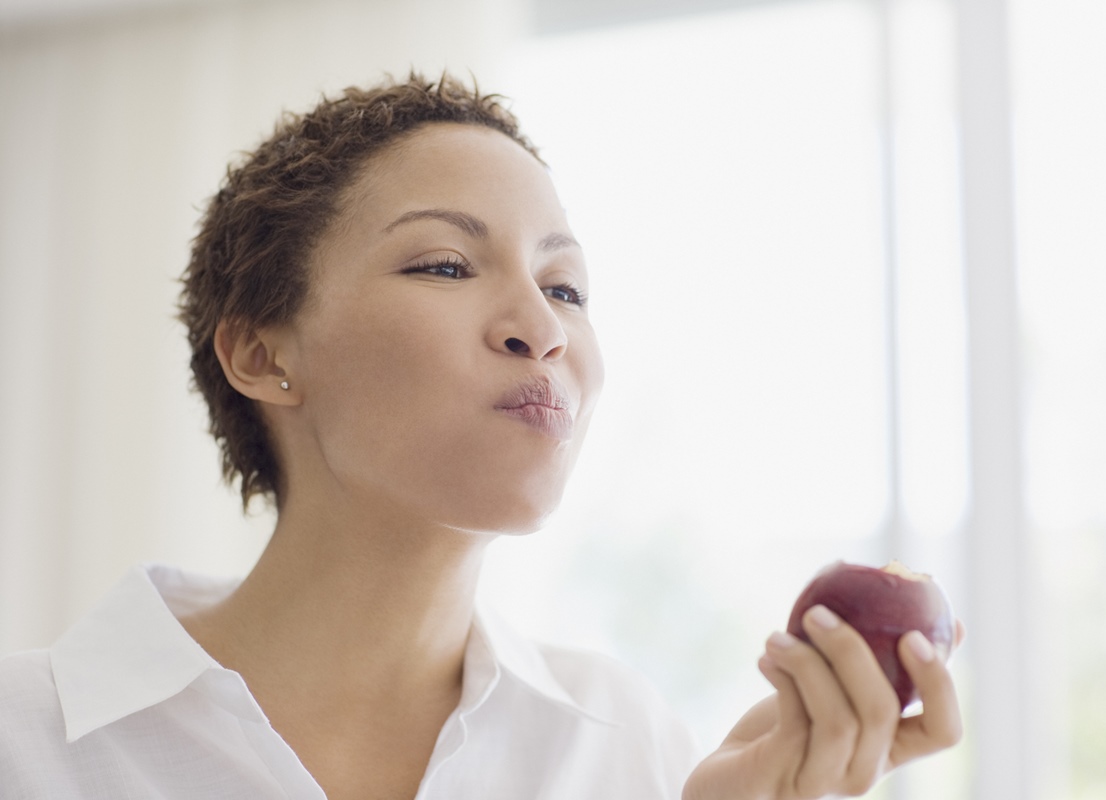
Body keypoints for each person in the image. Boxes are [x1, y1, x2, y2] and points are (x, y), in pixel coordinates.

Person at [0, 73, 962, 799]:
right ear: (261, 353)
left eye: (566, 288)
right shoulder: (29, 742)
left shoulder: (627, 749)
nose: (540, 327)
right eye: (447, 265)